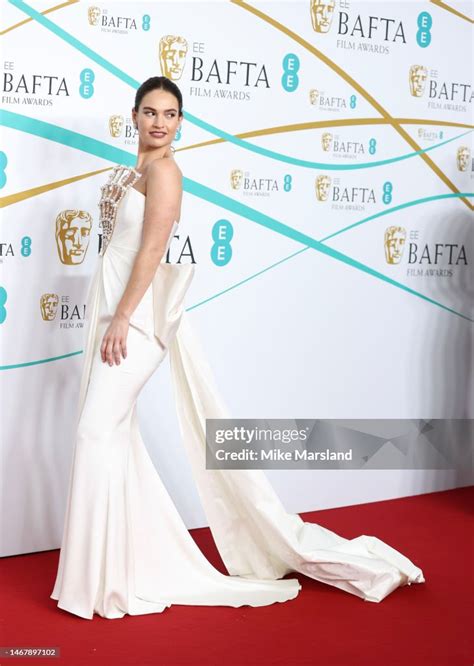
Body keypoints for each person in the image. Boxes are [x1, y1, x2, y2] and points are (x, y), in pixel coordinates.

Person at [50, 76, 425, 620]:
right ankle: (113, 569)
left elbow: (153, 250)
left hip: (134, 320)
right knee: (113, 441)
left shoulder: (167, 173)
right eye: (151, 111)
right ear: (134, 116)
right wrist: (108, 314)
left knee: (94, 432)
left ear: (181, 122)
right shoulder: (135, 170)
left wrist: (124, 317)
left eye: (171, 113)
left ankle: (105, 580)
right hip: (110, 313)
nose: (160, 122)